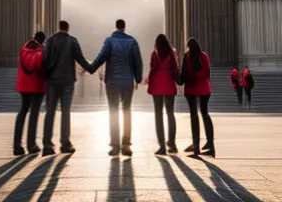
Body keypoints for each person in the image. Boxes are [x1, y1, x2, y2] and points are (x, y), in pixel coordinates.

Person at [90, 18, 143, 158]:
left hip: (112, 82)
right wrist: (137, 78)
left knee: (113, 112)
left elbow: (101, 57)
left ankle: (114, 146)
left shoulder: (109, 41)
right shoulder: (132, 41)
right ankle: (126, 145)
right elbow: (138, 61)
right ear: (124, 27)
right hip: (127, 82)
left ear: (116, 27)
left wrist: (90, 68)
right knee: (127, 112)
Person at [42, 19, 95, 156]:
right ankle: (65, 144)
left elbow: (44, 60)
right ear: (68, 28)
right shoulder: (72, 41)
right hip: (67, 81)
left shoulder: (49, 41)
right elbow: (80, 58)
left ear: (58, 28)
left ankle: (47, 145)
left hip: (52, 82)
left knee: (50, 112)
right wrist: (91, 68)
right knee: (65, 112)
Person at [13, 31, 46, 155]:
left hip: (24, 85)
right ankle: (31, 144)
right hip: (36, 85)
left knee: (22, 112)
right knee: (34, 114)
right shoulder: (39, 49)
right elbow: (38, 64)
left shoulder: (24, 48)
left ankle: (17, 145)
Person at [147, 33, 180, 155]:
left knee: (158, 115)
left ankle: (162, 146)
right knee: (170, 114)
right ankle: (172, 143)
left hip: (157, 86)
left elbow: (153, 69)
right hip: (169, 85)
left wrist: (149, 80)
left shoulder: (154, 54)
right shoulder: (172, 53)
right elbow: (175, 69)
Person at [181, 38, 214, 157]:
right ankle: (210, 144)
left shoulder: (187, 56)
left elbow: (184, 74)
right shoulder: (204, 55)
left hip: (191, 89)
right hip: (205, 88)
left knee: (194, 116)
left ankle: (196, 147)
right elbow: (208, 72)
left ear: (188, 46)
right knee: (205, 114)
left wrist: (177, 79)